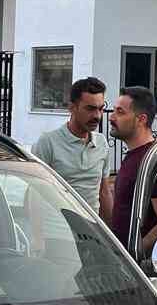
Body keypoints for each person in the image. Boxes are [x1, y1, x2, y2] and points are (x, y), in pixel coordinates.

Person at [103, 86, 157, 255]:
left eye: (120, 112)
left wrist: (132, 255)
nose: (111, 117)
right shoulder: (135, 156)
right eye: (113, 111)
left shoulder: (151, 161)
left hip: (135, 271)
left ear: (141, 119)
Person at [30, 77, 110, 212]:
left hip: (90, 229)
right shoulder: (48, 142)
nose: (97, 116)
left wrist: (109, 231)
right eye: (90, 109)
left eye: (101, 109)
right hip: (56, 228)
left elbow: (105, 193)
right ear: (72, 108)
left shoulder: (101, 143)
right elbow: (33, 194)